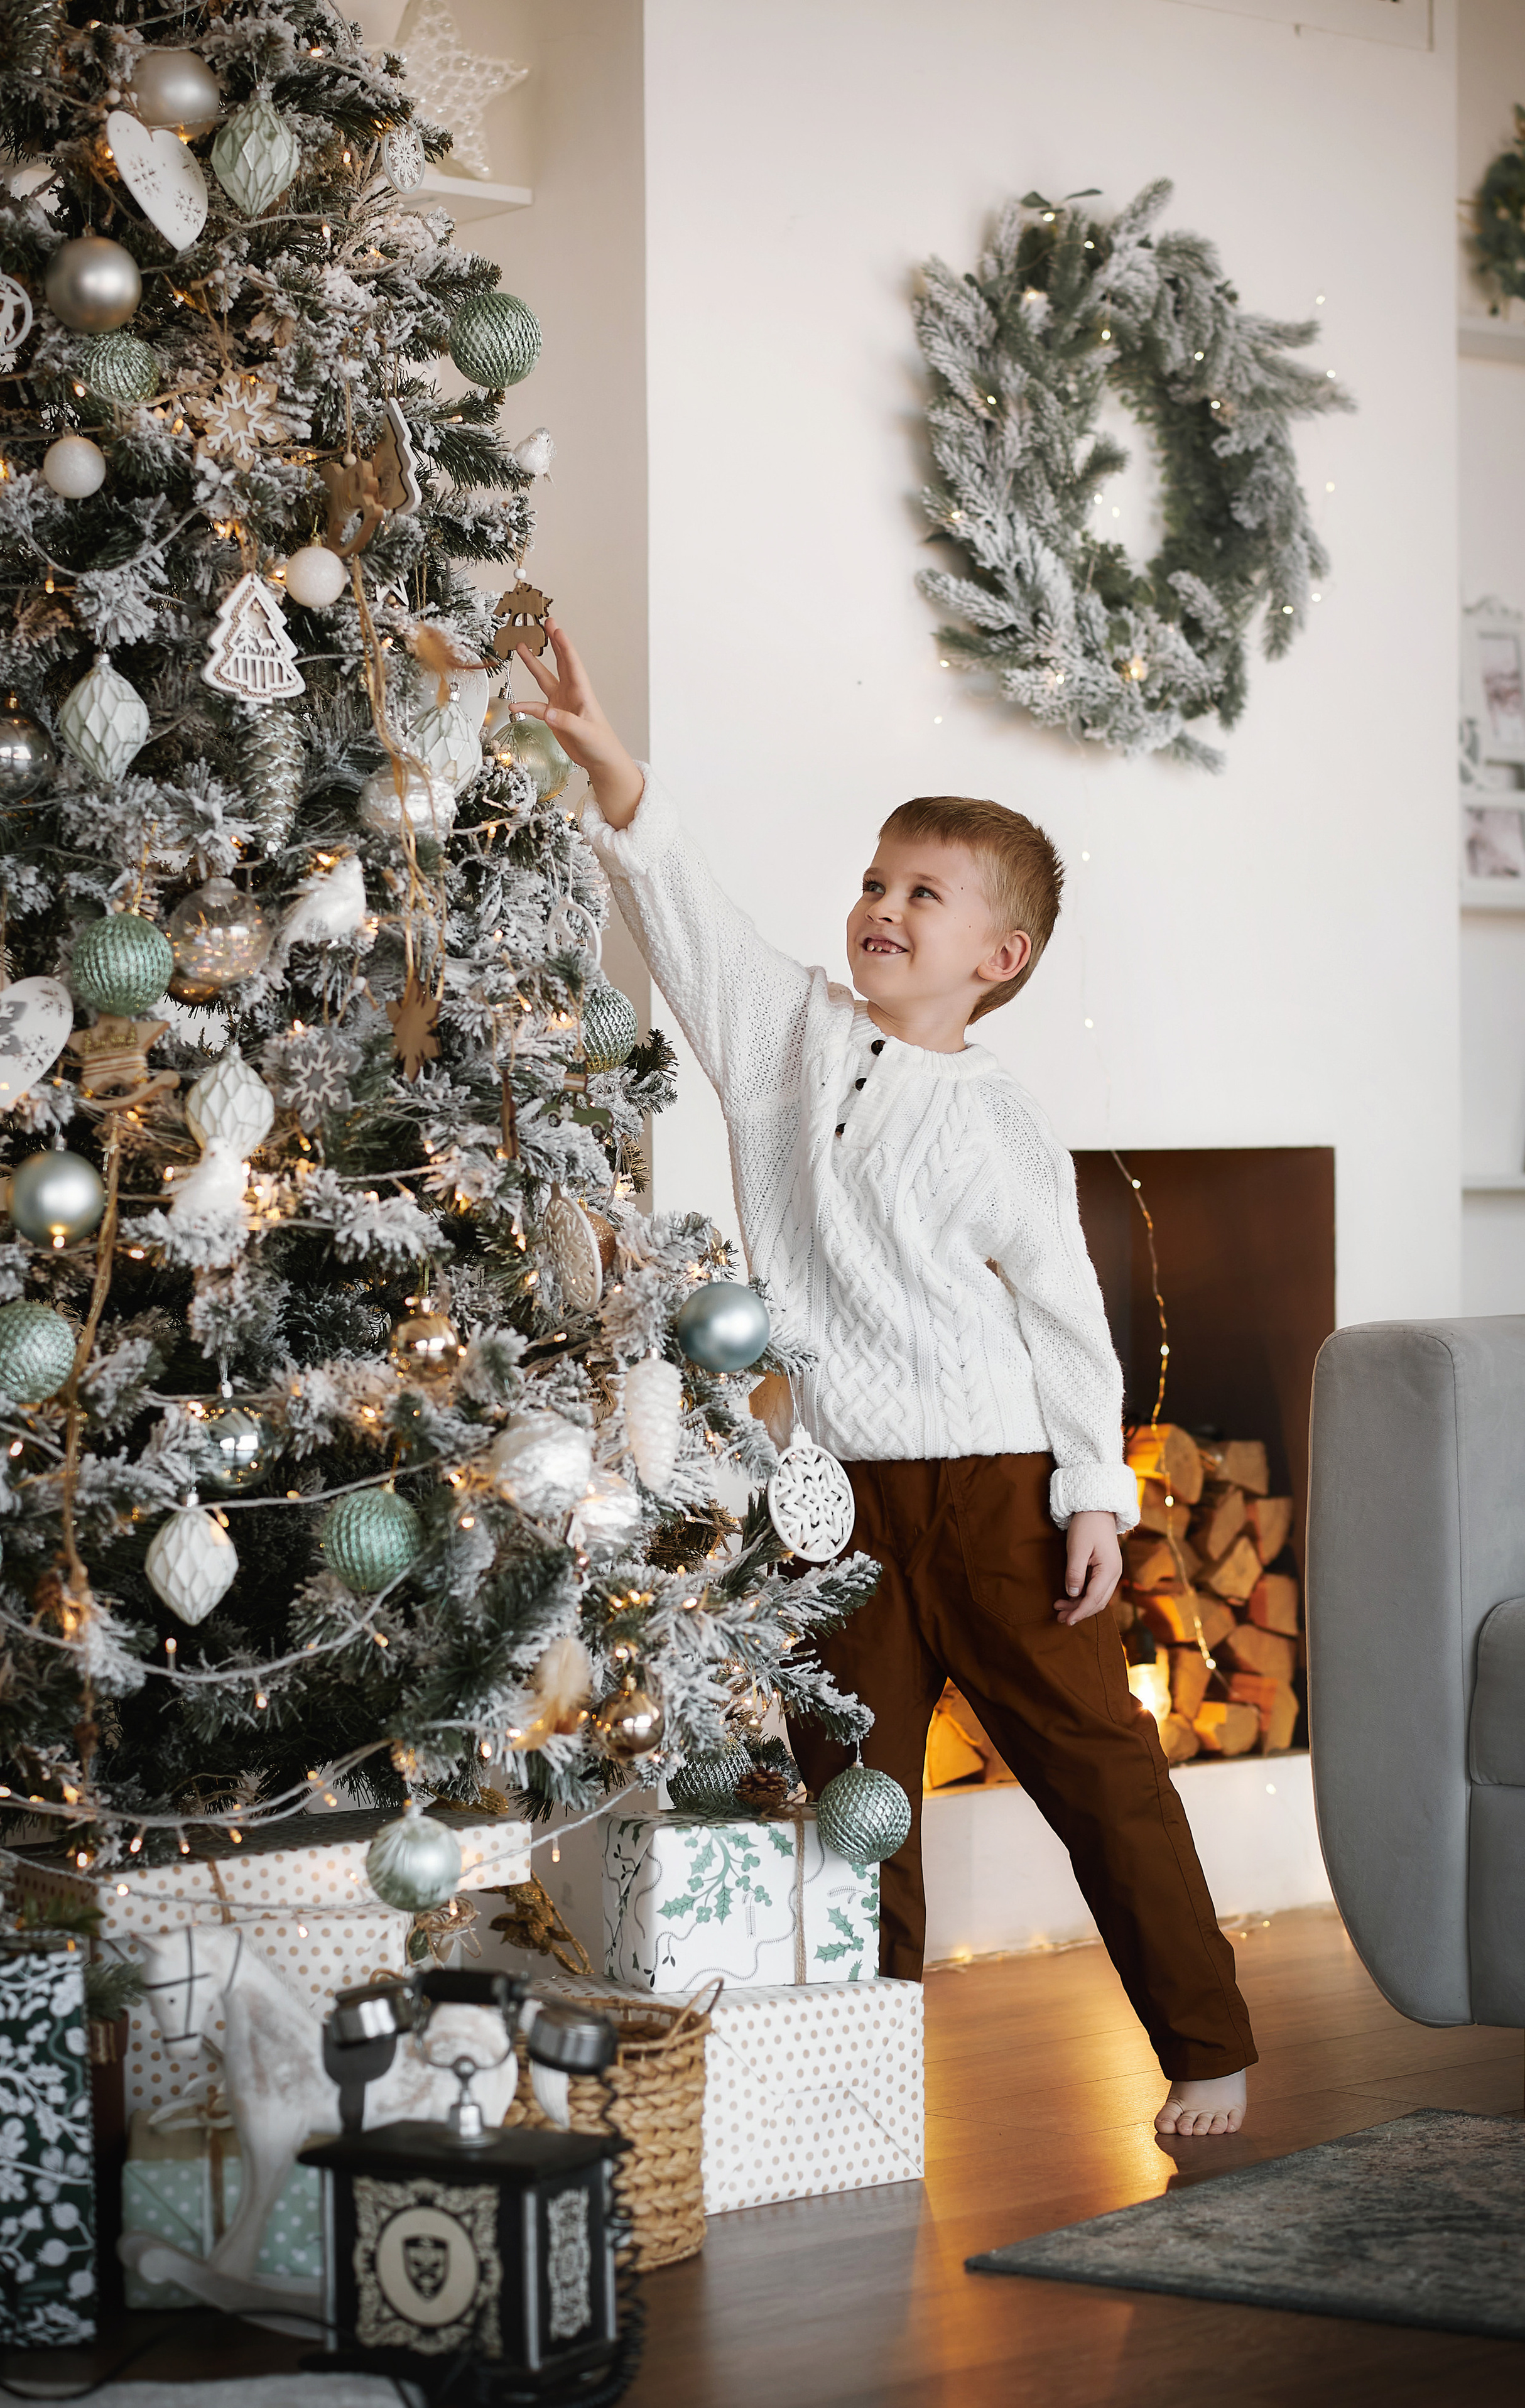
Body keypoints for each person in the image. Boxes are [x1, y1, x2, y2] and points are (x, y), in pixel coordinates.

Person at [515, 622, 1255, 2138]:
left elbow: (1065, 1323)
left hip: (992, 1493)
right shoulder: (783, 1037)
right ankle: (861, 2066)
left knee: (1097, 1775)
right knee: (854, 1806)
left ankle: (1208, 2048)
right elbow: (691, 917)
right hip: (830, 1504)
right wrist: (610, 764)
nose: (879, 908)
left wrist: (1093, 1497)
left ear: (999, 959)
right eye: (871, 881)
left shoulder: (997, 1122)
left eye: (921, 894)